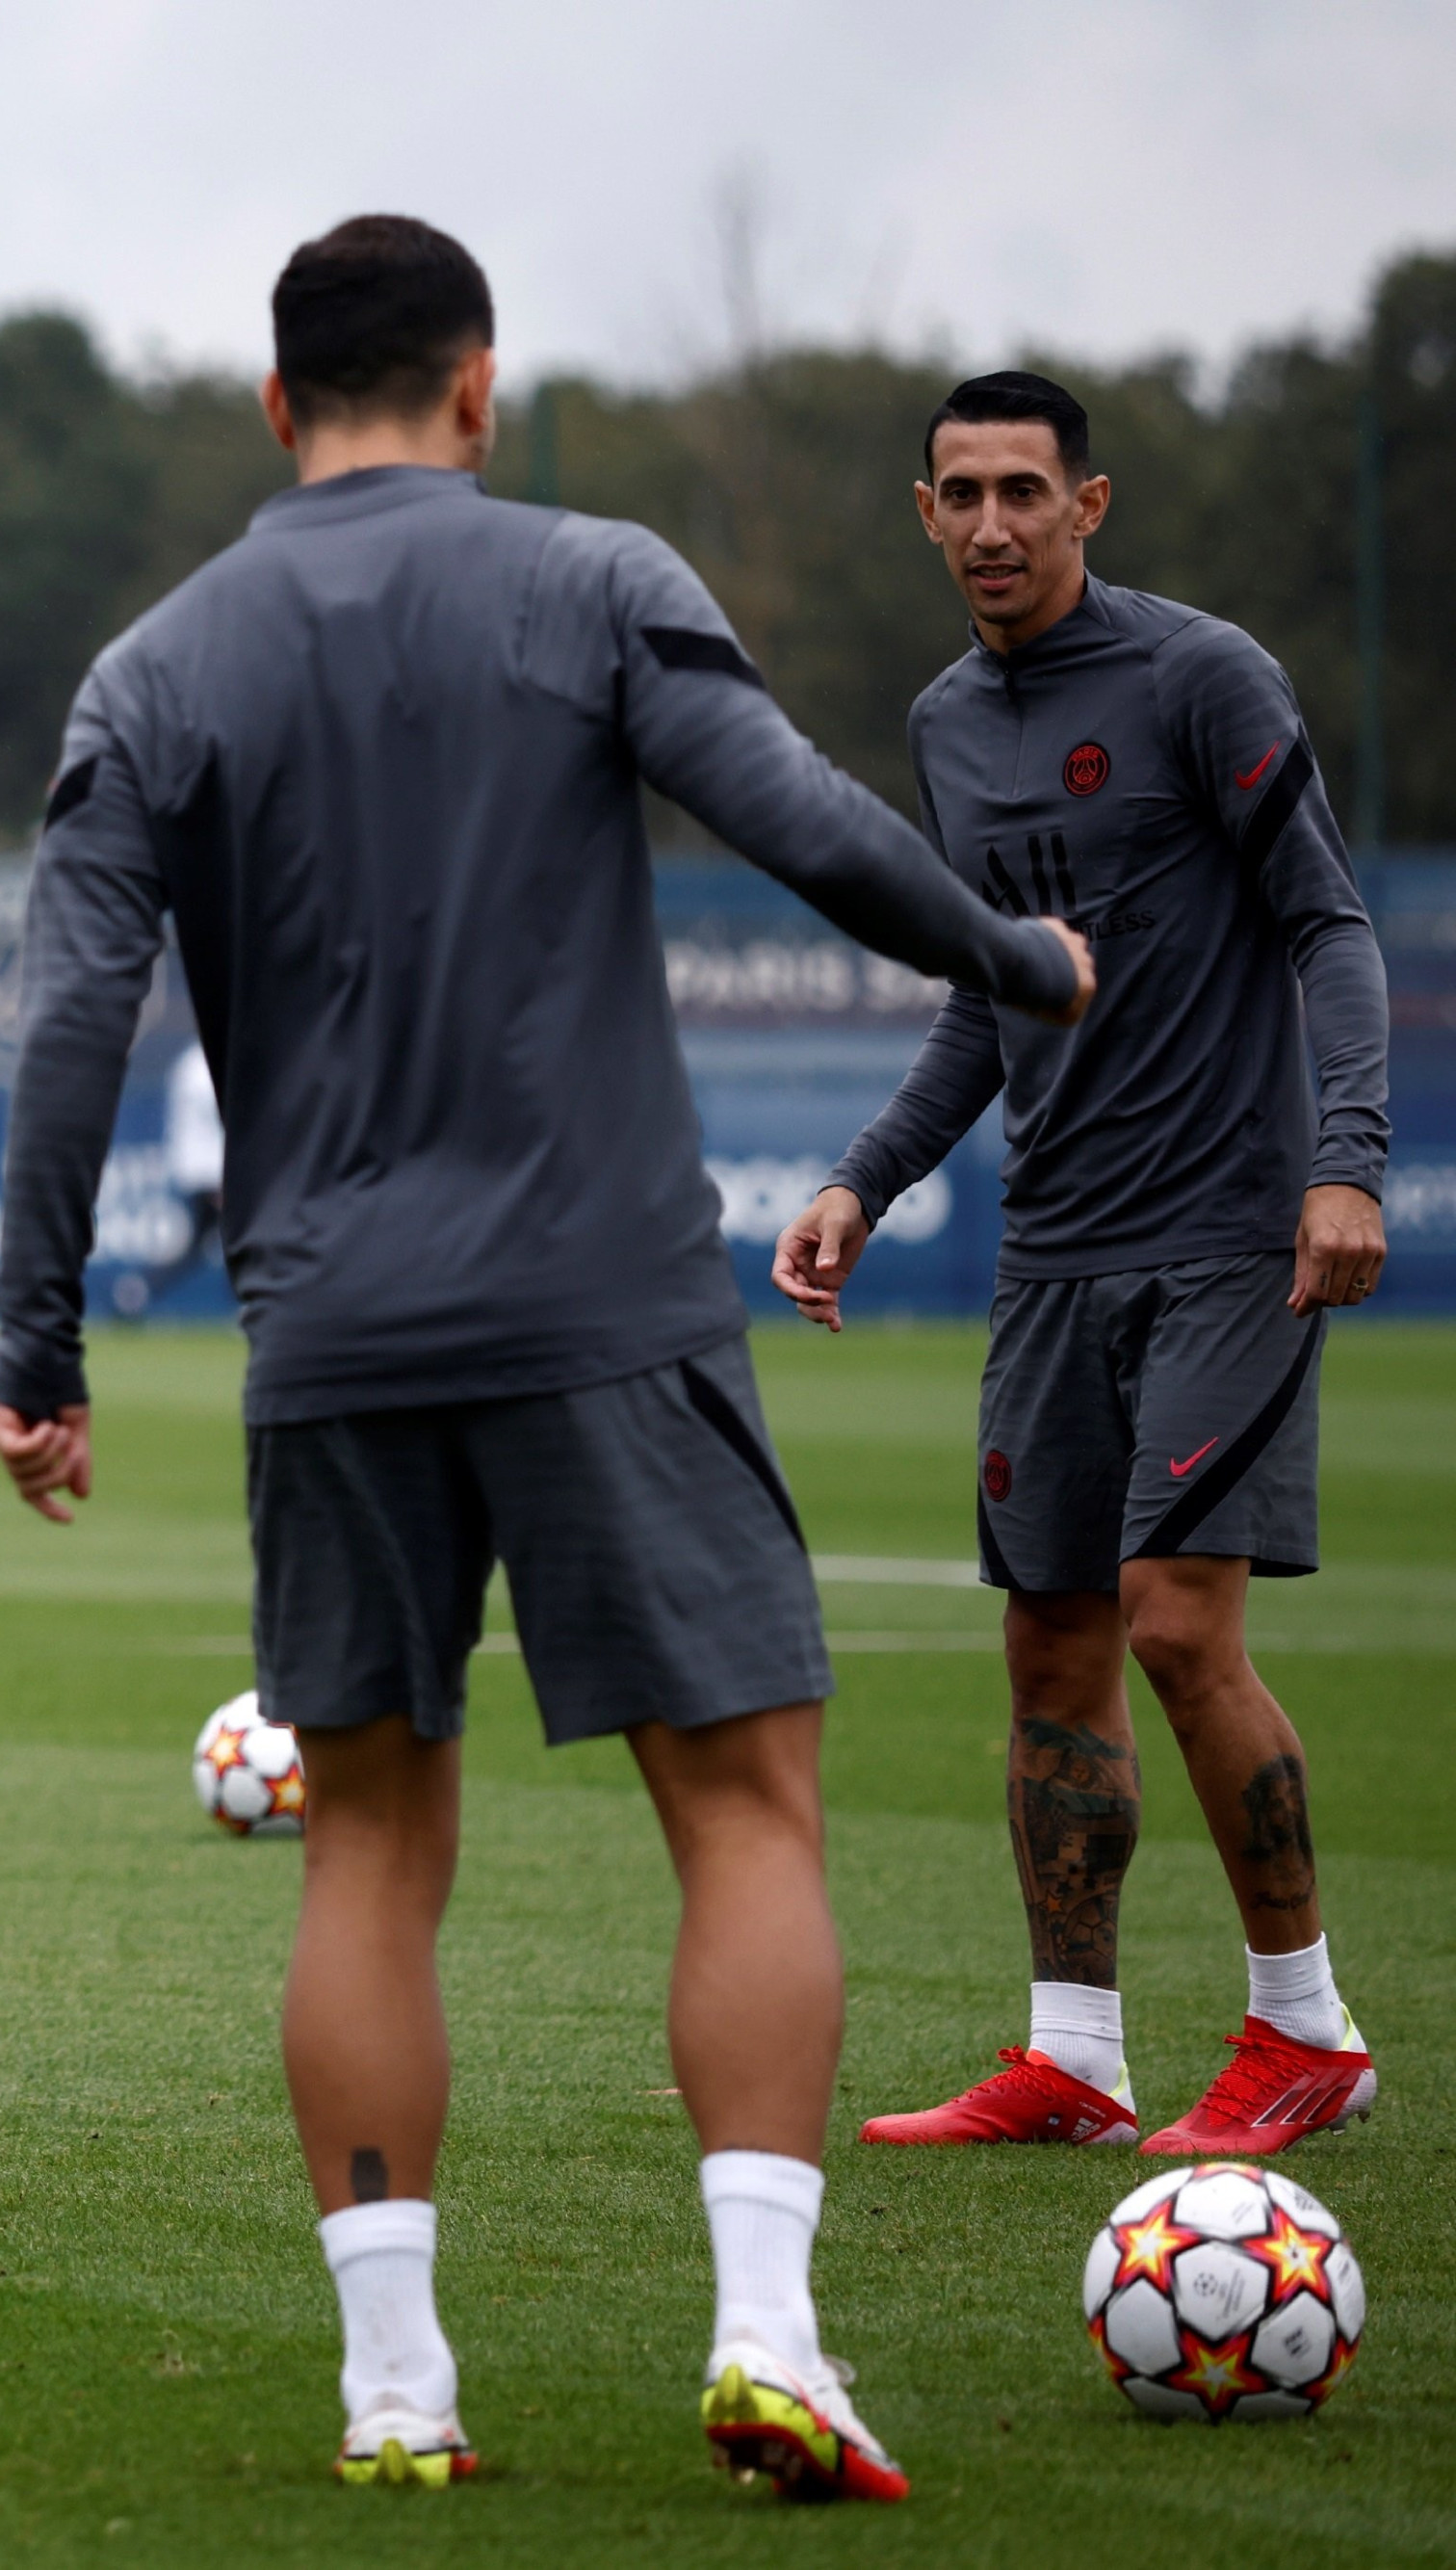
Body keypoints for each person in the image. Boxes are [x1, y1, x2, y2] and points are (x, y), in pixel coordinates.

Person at [0, 220, 1090, 2499]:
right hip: (600, 1302)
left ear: (276, 413)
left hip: (328, 1336)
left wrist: (41, 1336)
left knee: (366, 1849)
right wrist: (1018, 957)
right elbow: (798, 824)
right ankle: (768, 2334)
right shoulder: (589, 581)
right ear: (476, 393)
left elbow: (73, 1011)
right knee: (743, 1808)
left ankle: (395, 2386)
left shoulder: (153, 663)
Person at [772, 370, 1390, 2158]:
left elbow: (1329, 922)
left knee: (1177, 1621)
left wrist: (1344, 1166)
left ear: (1089, 503)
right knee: (1051, 1644)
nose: (988, 525)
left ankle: (1306, 2028)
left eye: (1022, 491)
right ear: (923, 510)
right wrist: (868, 1178)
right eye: (958, 493)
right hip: (1051, 1251)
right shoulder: (946, 722)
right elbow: (991, 992)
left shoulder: (1206, 675)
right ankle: (1075, 2052)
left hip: (1225, 1236)